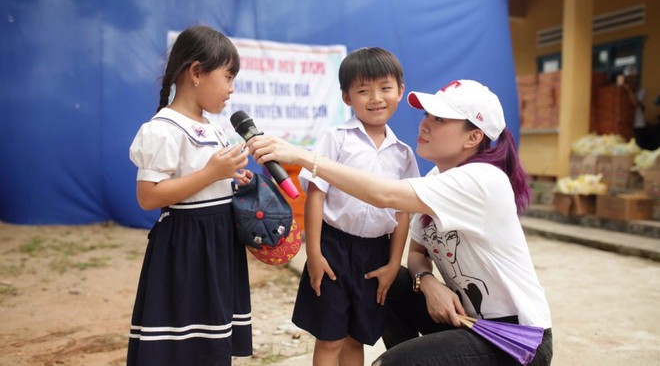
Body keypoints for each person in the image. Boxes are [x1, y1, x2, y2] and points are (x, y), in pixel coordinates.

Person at [248, 79, 553, 365]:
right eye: (427, 115)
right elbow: (418, 253)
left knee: (392, 364)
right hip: (463, 321)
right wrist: (428, 282)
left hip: (516, 339)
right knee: (386, 276)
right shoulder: (435, 179)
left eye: (440, 120)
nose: (425, 124)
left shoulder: (482, 179)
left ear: (473, 137)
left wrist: (305, 157)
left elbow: (384, 195)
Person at [127, 25, 254, 366]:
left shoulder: (213, 126)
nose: (231, 89)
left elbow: (205, 180)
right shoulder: (163, 128)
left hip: (218, 244)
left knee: (212, 344)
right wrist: (210, 174)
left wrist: (230, 179)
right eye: (228, 77)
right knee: (181, 345)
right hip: (186, 248)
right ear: (196, 72)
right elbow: (148, 196)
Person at [293, 47, 420, 366]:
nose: (375, 98)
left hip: (376, 254)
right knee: (330, 337)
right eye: (363, 90)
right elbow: (316, 194)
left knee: (356, 336)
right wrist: (315, 253)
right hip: (333, 249)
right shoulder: (335, 139)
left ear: (400, 91)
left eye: (385, 88)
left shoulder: (402, 154)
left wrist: (393, 264)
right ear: (347, 97)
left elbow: (403, 212)